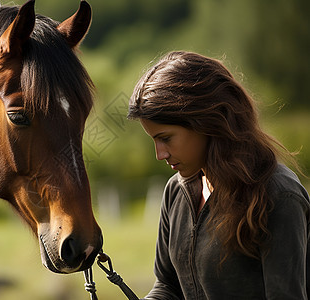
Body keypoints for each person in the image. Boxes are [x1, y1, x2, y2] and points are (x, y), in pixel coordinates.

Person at [128, 51, 310, 299]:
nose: (159, 154)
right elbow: (168, 286)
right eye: (154, 140)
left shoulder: (279, 195)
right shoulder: (176, 191)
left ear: (206, 121)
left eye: (166, 138)